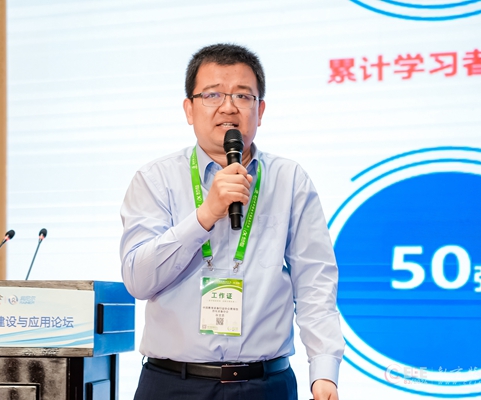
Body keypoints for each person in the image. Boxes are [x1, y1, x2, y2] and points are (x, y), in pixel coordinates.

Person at [120, 43, 344, 400]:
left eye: (242, 95)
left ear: (260, 110)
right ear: (189, 109)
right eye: (212, 94)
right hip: (172, 385)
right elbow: (138, 280)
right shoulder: (155, 179)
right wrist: (205, 215)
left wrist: (324, 371)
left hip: (265, 385)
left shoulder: (289, 180)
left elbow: (315, 282)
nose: (228, 107)